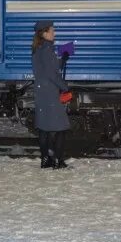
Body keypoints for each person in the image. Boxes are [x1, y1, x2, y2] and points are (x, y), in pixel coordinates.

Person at [31, 20, 70, 169]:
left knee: (44, 128)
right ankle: (58, 161)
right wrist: (65, 87)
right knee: (61, 128)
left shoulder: (39, 48)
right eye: (52, 31)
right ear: (44, 33)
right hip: (50, 92)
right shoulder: (47, 49)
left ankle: (46, 160)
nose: (54, 33)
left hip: (42, 91)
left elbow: (48, 67)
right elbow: (51, 73)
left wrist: (62, 60)